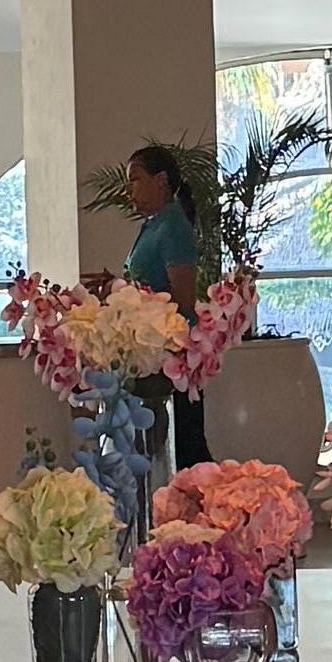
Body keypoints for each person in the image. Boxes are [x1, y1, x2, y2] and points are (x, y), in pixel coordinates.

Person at [114, 135, 218, 469]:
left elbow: (182, 298)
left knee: (184, 450)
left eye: (135, 180)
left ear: (160, 181)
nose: (128, 190)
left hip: (172, 354)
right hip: (151, 353)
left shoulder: (172, 226)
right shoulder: (154, 225)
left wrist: (138, 301)